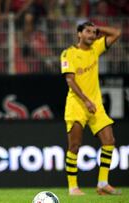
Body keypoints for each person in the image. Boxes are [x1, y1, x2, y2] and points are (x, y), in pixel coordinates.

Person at [60, 21, 122, 196]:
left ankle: (103, 183)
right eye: (87, 31)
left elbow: (117, 32)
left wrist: (99, 28)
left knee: (109, 141)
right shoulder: (69, 53)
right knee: (74, 145)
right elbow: (70, 80)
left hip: (96, 106)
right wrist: (86, 101)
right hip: (77, 105)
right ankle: (73, 187)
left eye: (93, 32)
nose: (92, 35)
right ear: (79, 34)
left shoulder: (96, 48)